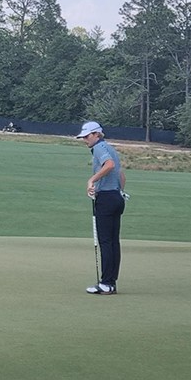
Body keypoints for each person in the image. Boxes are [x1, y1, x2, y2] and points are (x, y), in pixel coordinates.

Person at [76, 121, 126, 295]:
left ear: (97, 134)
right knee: (113, 241)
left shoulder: (99, 148)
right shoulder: (110, 147)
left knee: (105, 241)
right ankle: (111, 283)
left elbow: (110, 165)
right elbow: (120, 174)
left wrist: (92, 181)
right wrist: (119, 191)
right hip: (117, 197)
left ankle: (106, 283)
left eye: (87, 136)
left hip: (106, 198)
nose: (85, 139)